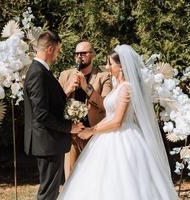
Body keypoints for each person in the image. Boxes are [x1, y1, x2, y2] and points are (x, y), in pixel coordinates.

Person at [58, 45, 178, 200]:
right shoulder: (117, 87)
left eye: (110, 64)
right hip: (106, 136)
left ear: (121, 67)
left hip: (125, 138)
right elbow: (109, 117)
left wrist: (92, 130)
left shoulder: (127, 88)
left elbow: (117, 121)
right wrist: (93, 129)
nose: (107, 67)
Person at [23, 31, 84, 200]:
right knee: (48, 193)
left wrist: (67, 93)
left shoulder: (41, 71)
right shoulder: (38, 73)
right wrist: (69, 127)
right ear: (50, 49)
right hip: (47, 142)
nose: (58, 54)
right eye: (57, 50)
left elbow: (49, 104)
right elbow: (41, 114)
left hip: (49, 142)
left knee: (51, 190)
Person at [58, 41, 112, 179]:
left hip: (94, 134)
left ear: (92, 54)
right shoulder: (65, 75)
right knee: (70, 178)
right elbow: (55, 103)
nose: (79, 56)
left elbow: (106, 104)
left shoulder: (103, 76)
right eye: (77, 53)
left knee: (95, 177)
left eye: (83, 53)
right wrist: (67, 90)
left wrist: (87, 87)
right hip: (71, 135)